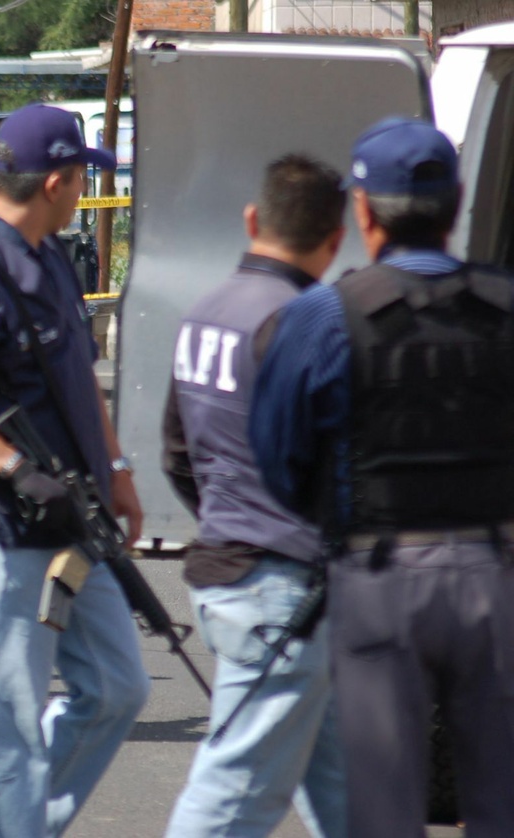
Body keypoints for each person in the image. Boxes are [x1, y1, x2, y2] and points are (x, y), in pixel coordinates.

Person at [250, 117, 514, 836]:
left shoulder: (319, 318)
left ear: (361, 213)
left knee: (383, 811)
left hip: (378, 578)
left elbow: (278, 460)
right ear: (457, 205)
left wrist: (343, 521)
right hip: (499, 576)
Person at [0, 104, 149, 836]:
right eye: (81, 179)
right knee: (9, 712)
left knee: (115, 687)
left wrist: (118, 472)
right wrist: (14, 467)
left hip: (71, 514)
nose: (85, 192)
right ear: (57, 180)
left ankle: (10, 828)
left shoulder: (48, 255)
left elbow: (77, 377)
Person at [162, 155, 347, 837]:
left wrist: (228, 514)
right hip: (286, 586)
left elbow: (177, 455)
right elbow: (335, 464)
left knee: (350, 787)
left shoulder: (206, 311)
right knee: (234, 798)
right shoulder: (312, 322)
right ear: (336, 237)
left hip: (231, 567)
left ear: (252, 220)